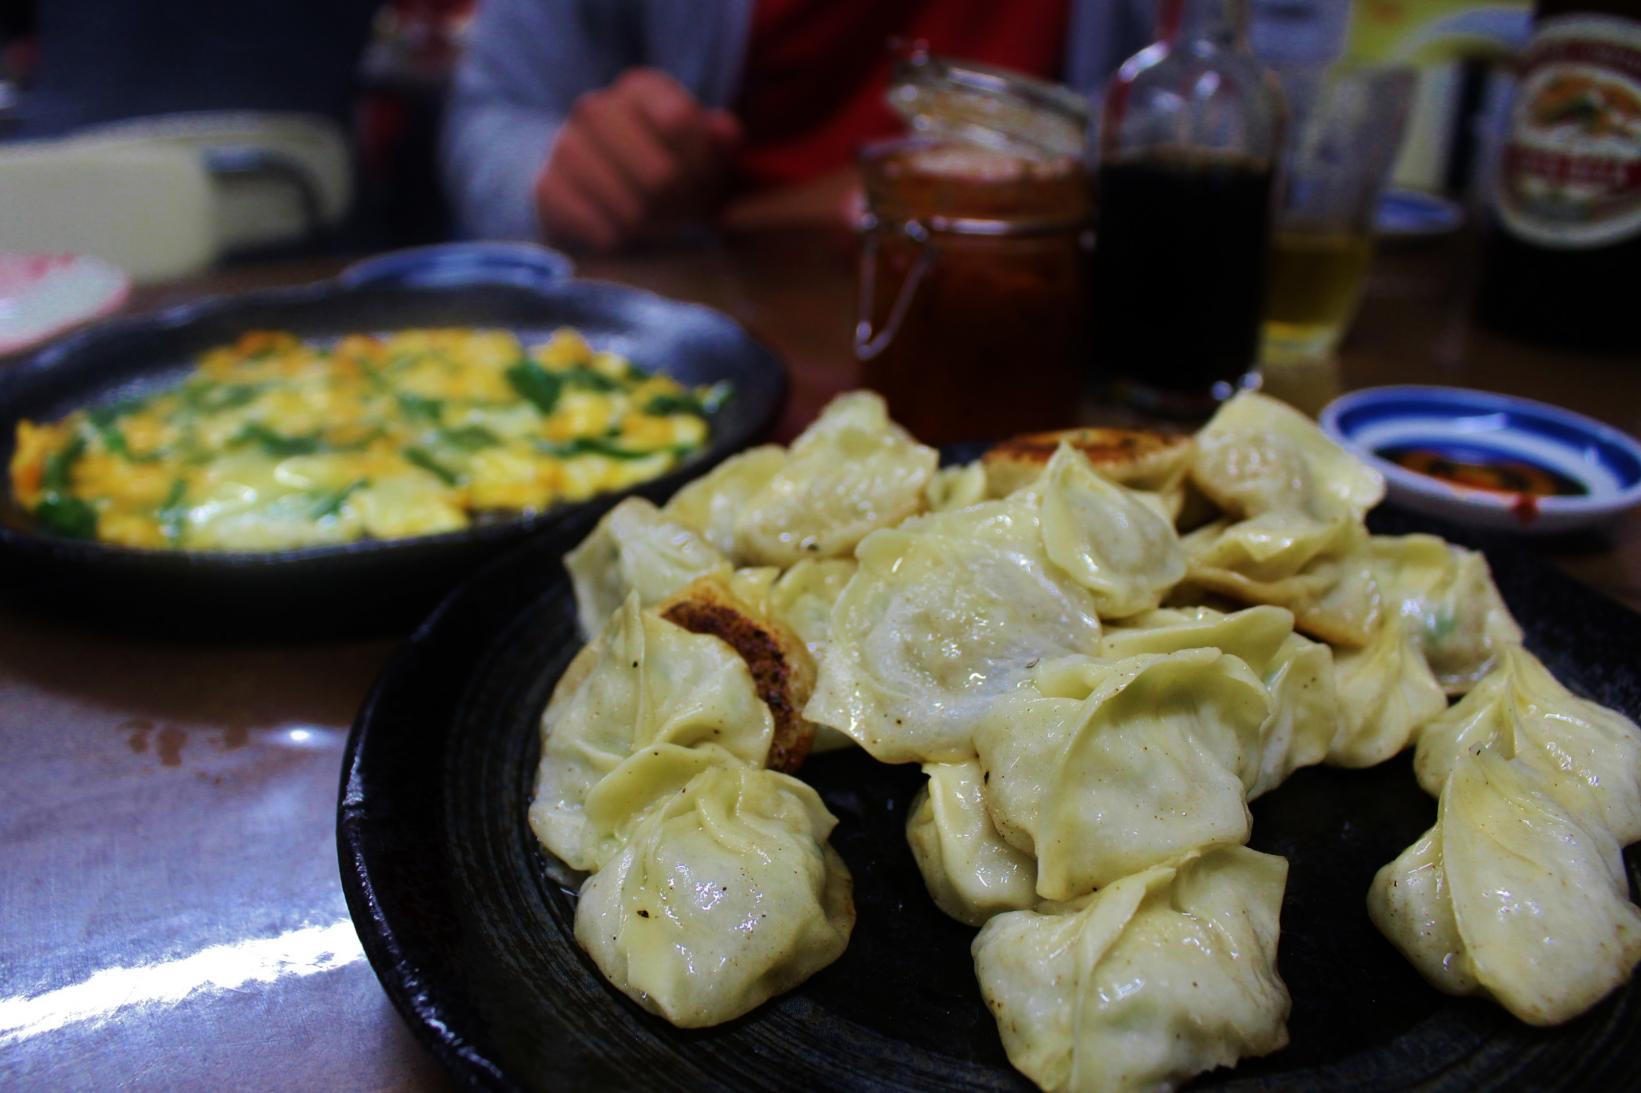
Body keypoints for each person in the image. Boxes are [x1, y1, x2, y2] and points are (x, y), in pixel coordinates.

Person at [440, 0, 1339, 249]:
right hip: (695, 336)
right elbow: (489, 116)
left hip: (1049, 341)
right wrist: (554, 175)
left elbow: (1278, 134)